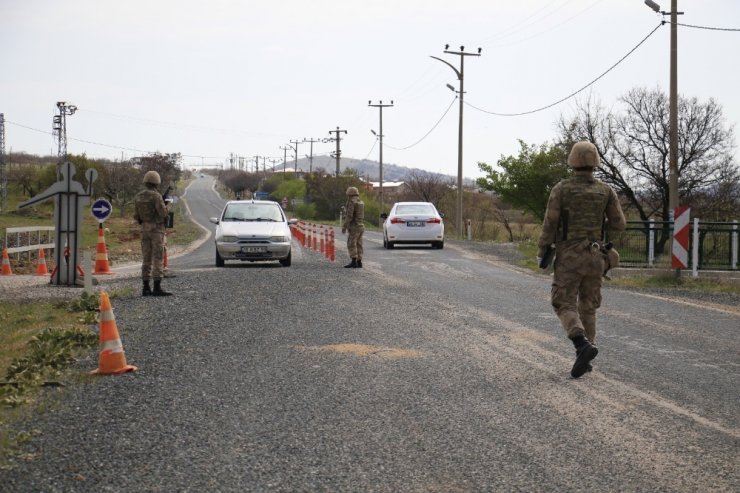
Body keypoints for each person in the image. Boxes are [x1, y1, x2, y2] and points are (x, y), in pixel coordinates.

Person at [537, 141, 625, 378]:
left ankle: (581, 344)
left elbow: (550, 223)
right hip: (596, 255)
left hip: (569, 255)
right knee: (589, 306)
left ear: (572, 161)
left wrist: (543, 249)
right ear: (595, 162)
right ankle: (585, 357)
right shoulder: (606, 191)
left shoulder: (561, 189)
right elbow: (619, 224)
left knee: (563, 302)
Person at [134, 170, 172, 296]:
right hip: (157, 230)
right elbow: (163, 213)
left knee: (146, 258)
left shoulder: (138, 196)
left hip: (144, 229)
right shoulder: (156, 196)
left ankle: (145, 287)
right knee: (158, 258)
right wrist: (168, 206)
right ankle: (157, 287)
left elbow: (136, 216)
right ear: (157, 182)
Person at [341, 186, 365, 268]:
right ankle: (359, 261)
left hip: (354, 226)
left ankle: (353, 261)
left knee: (351, 243)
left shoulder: (351, 202)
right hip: (361, 226)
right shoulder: (360, 202)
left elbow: (349, 216)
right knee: (359, 244)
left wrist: (344, 226)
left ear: (350, 194)